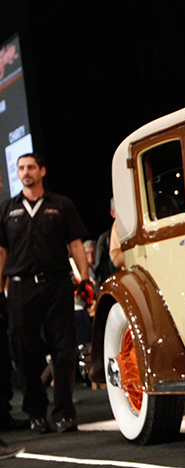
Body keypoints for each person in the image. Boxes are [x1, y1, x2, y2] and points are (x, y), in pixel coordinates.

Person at [0, 153, 91, 434]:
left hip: (56, 284)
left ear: (42, 171)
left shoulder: (61, 205)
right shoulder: (7, 209)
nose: (25, 172)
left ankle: (64, 412)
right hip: (20, 287)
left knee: (63, 350)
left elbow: (76, 245)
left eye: (30, 167)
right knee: (25, 352)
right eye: (21, 168)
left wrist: (85, 280)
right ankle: (35, 413)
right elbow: (1, 252)